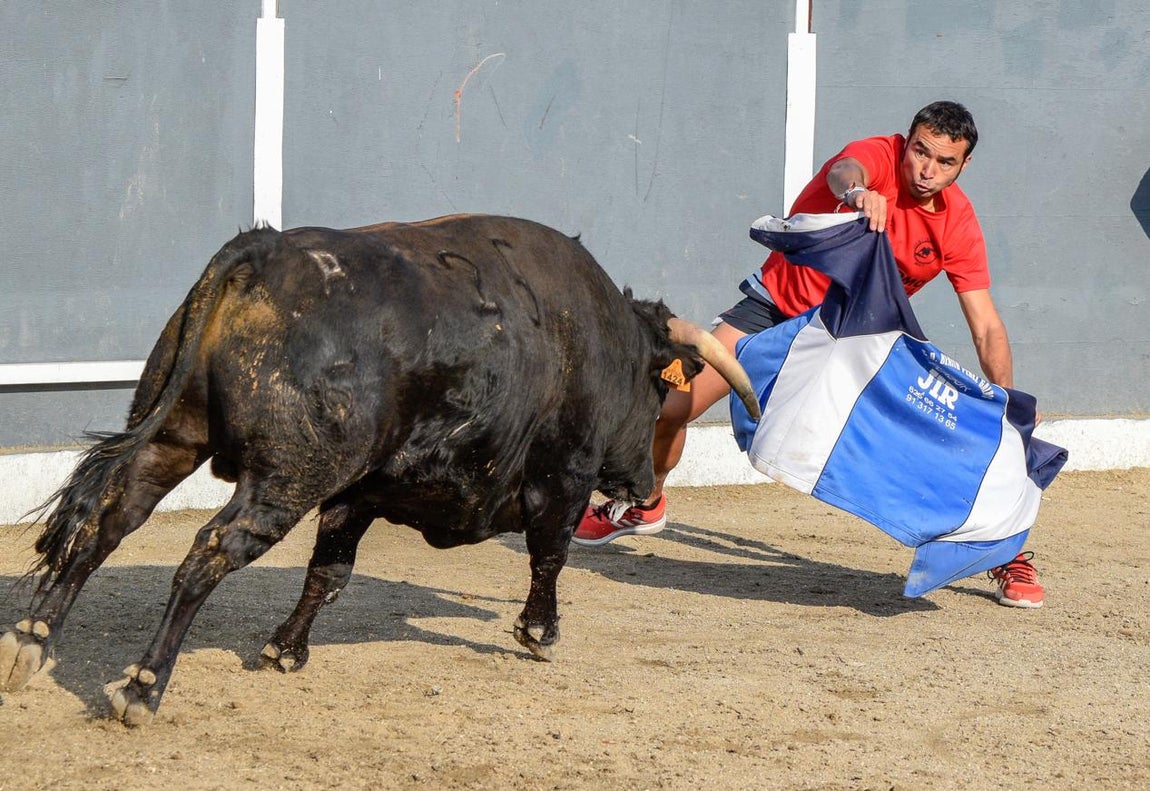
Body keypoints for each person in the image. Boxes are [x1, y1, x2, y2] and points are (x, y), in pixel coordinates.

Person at [572, 100, 1045, 608]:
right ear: (905, 142)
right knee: (672, 410)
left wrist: (1007, 404)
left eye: (945, 162)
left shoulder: (957, 224)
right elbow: (846, 170)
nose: (927, 171)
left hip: (850, 345)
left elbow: (987, 325)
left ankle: (1005, 553)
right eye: (920, 153)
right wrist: (860, 192)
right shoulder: (876, 159)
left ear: (964, 165)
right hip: (776, 309)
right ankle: (644, 503)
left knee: (958, 437)